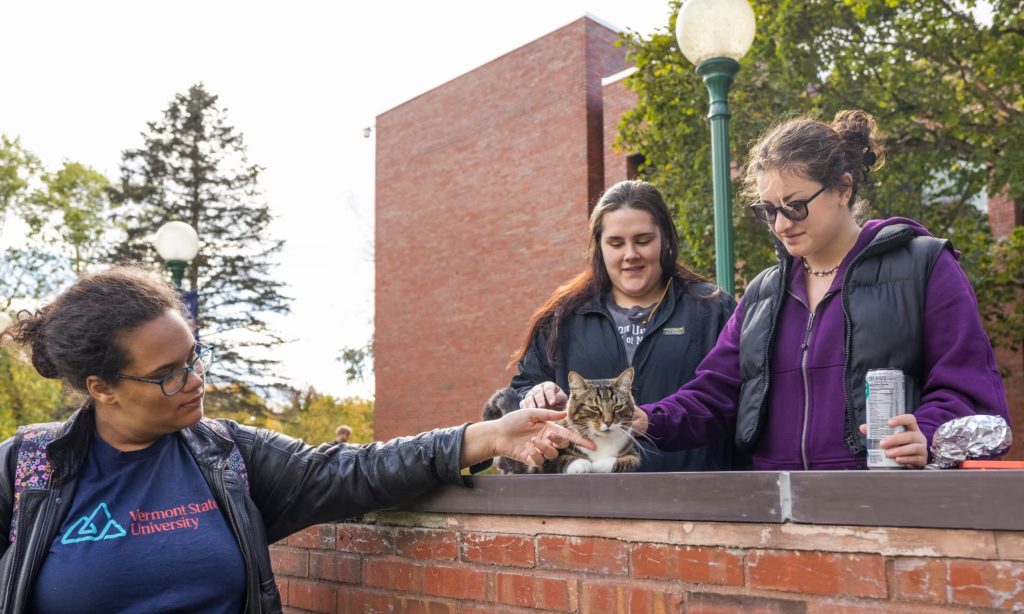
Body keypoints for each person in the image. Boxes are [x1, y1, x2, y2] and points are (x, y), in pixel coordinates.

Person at [0, 267, 591, 613]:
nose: (196, 381)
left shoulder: (226, 455)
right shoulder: (24, 472)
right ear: (102, 387)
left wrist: (489, 436)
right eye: (169, 374)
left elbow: (355, 469)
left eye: (194, 358)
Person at [634, 110, 1010, 470]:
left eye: (795, 206)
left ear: (843, 188)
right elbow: (714, 398)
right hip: (779, 514)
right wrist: (640, 420)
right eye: (768, 210)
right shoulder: (762, 294)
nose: (781, 225)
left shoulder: (924, 265)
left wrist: (926, 434)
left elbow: (968, 387)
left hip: (892, 504)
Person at [511, 179, 741, 471]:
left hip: (692, 500)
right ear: (600, 247)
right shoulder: (563, 316)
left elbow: (734, 402)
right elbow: (519, 394)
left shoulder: (712, 309)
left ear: (666, 239)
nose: (630, 254)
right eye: (616, 243)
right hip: (586, 505)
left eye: (643, 240)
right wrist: (534, 393)